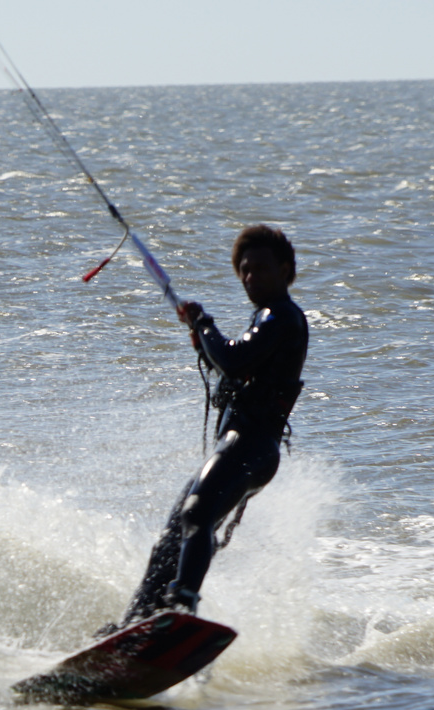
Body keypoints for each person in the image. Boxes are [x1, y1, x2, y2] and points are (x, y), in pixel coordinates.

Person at [113, 224, 307, 629]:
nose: (251, 277)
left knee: (196, 512)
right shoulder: (266, 319)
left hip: (252, 445)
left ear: (286, 269)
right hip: (240, 446)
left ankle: (182, 606)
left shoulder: (282, 316)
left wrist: (204, 325)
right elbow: (234, 369)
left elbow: (234, 359)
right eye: (244, 270)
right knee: (171, 539)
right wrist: (206, 343)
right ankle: (135, 623)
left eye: (260, 268)